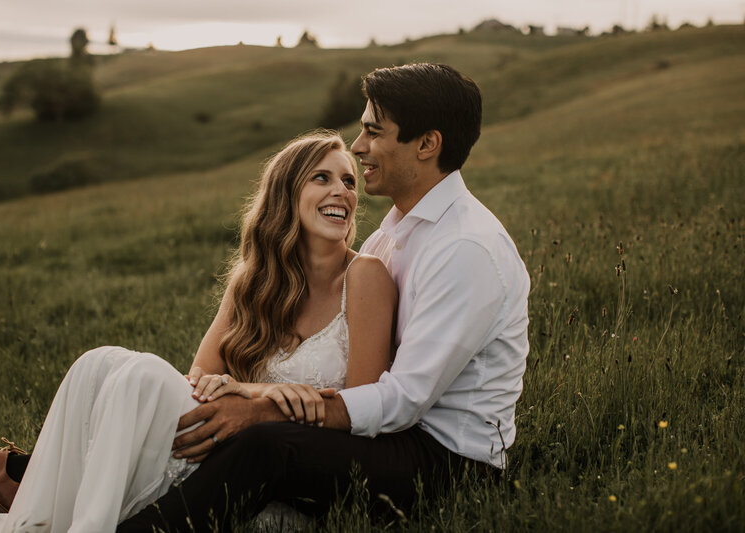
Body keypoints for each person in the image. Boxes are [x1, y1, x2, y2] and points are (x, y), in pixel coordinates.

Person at [111, 62, 530, 531]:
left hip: (447, 461)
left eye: (374, 132)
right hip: (397, 439)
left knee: (266, 444)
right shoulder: (391, 237)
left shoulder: (465, 248)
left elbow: (402, 400)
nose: (358, 147)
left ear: (427, 144)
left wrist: (262, 405)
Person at [0, 131, 397, 532]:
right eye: (323, 177)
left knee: (142, 377)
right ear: (286, 194)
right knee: (97, 362)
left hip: (281, 483)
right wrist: (241, 389)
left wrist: (252, 396)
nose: (343, 190)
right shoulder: (255, 281)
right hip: (217, 448)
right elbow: (199, 377)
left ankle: (20, 481)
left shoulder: (365, 277)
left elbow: (362, 413)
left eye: (350, 181)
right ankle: (28, 494)